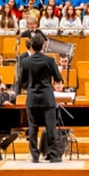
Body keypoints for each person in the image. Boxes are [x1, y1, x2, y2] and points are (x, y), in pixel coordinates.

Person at [16, 30, 63, 163]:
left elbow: (21, 81)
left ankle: (35, 156)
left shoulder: (25, 62)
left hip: (32, 98)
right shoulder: (50, 60)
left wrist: (29, 87)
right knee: (51, 128)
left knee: (33, 128)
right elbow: (58, 79)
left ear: (31, 46)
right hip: (47, 98)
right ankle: (54, 155)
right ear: (43, 46)